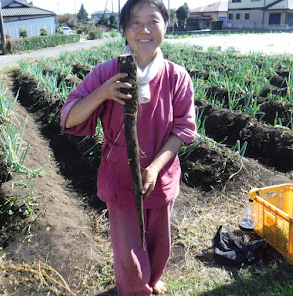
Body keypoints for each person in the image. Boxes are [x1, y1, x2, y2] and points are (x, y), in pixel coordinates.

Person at [60, 0, 198, 294]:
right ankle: (136, 288)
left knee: (160, 241)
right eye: (135, 22)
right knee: (129, 254)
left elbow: (183, 129)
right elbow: (70, 117)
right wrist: (103, 93)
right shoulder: (106, 72)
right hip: (120, 176)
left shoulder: (176, 77)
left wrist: (154, 168)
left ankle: (152, 278)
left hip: (161, 176)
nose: (144, 30)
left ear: (166, 26)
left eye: (153, 21)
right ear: (124, 29)